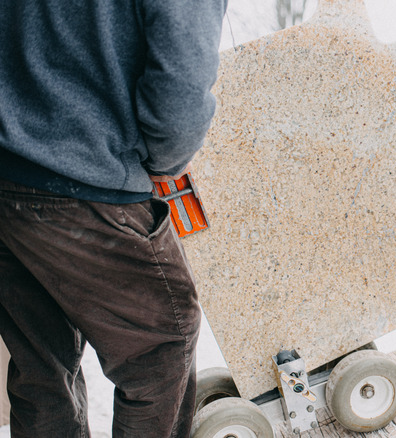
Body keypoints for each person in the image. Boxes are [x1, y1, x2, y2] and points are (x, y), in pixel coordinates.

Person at [0, 0, 227, 436]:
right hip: (84, 178)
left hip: (7, 176)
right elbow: (180, 88)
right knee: (162, 348)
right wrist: (161, 163)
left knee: (42, 368)